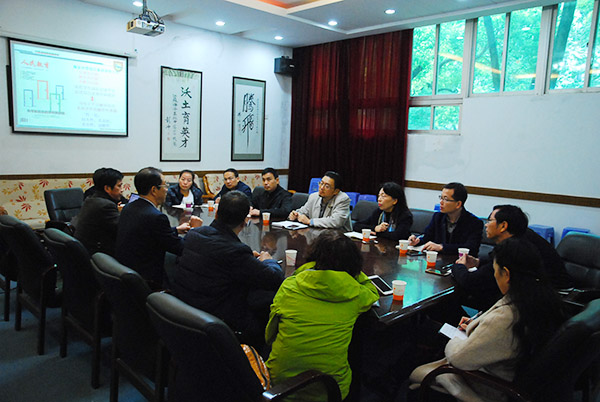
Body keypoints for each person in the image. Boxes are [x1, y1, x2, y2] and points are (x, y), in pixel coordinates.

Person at [409, 238, 566, 402]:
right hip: (514, 378)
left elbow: (458, 358)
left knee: (418, 353)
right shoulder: (541, 299)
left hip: (487, 387)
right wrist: (477, 323)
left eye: (495, 270)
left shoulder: (508, 316)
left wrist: (459, 337)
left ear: (506, 274)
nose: (495, 275)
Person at [265, 231, 379, 400]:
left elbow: (269, 335)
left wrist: (310, 266)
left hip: (279, 385)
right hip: (329, 388)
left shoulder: (290, 285)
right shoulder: (356, 294)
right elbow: (373, 291)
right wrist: (353, 271)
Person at [172, 190, 284, 347]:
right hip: (217, 321)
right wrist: (268, 261)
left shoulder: (194, 234)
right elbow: (274, 279)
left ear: (217, 214)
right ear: (245, 222)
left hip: (184, 311)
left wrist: (247, 260)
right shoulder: (236, 251)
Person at [452, 204, 573, 310]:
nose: (486, 225)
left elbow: (471, 281)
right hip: (543, 293)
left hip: (549, 298)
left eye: (490, 221)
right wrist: (477, 262)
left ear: (503, 226)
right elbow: (492, 260)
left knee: (473, 293)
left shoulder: (514, 248)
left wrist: (458, 266)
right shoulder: (520, 236)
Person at [115, 167, 202, 289]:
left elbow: (150, 234)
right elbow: (179, 248)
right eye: (164, 185)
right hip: (147, 277)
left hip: (127, 268)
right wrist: (194, 230)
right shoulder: (156, 217)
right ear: (154, 190)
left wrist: (176, 230)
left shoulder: (129, 207)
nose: (167, 189)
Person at [408, 182, 483, 256]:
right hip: (438, 260)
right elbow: (427, 236)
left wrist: (442, 247)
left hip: (459, 261)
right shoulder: (438, 217)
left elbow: (471, 248)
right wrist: (417, 241)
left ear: (458, 204)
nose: (441, 202)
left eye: (446, 199)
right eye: (441, 198)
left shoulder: (474, 223)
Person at [73, 167, 124, 256]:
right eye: (119, 186)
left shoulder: (91, 199)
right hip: (97, 254)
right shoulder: (106, 206)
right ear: (107, 188)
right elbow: (122, 229)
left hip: (84, 250)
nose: (122, 189)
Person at [288, 171, 352, 231]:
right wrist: (296, 215)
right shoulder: (314, 197)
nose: (321, 187)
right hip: (318, 233)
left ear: (336, 191)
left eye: (327, 186)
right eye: (321, 183)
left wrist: (310, 221)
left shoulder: (343, 199)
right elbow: (303, 211)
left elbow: (336, 221)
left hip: (339, 235)